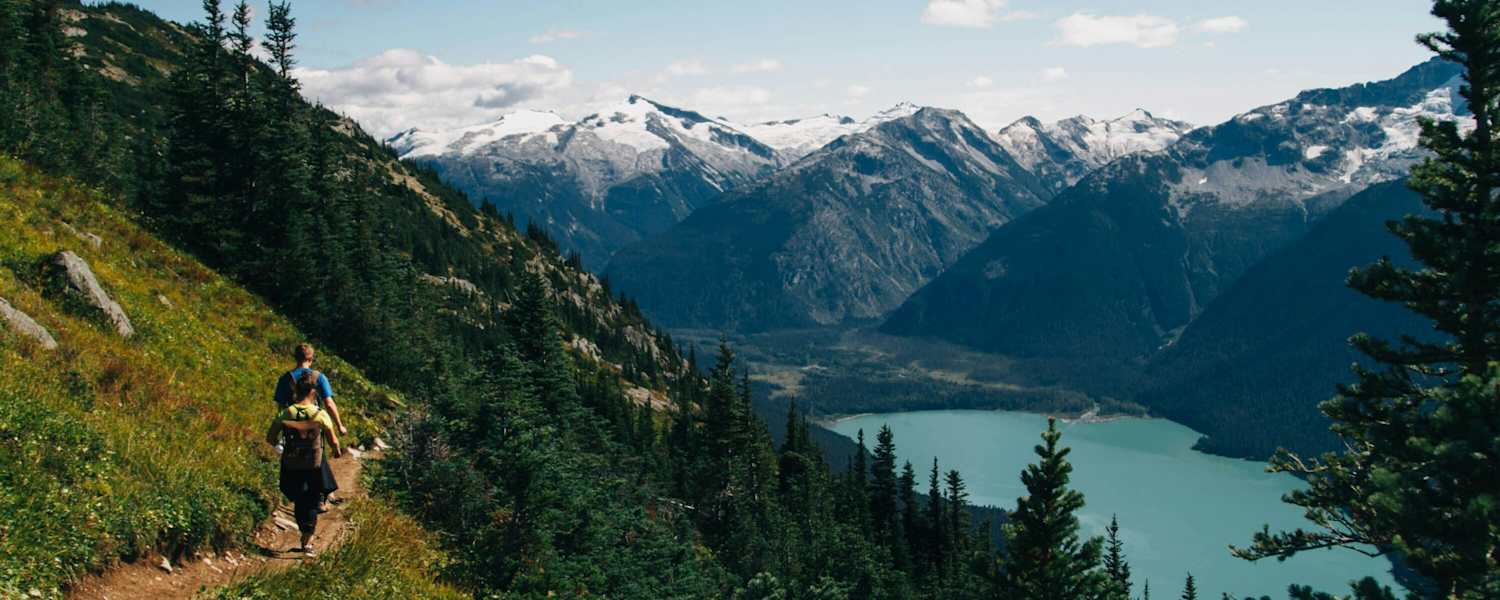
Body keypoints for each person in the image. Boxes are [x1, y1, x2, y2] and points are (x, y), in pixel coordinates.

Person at [266, 370, 342, 557]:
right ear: (313, 393)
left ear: (295, 392)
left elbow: (270, 437)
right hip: (313, 463)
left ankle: (303, 529)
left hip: (291, 463)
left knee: (300, 499)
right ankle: (307, 541)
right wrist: (336, 451)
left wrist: (279, 447)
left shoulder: (286, 413)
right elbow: (333, 440)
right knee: (312, 499)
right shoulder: (319, 414)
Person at [273, 343, 346, 511]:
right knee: (317, 454)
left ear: (295, 357)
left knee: (293, 457)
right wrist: (339, 425)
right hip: (313, 421)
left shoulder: (285, 378)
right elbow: (328, 402)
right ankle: (319, 497)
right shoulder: (318, 377)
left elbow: (280, 406)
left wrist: (280, 425)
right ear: (311, 359)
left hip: (291, 423)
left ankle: (298, 495)